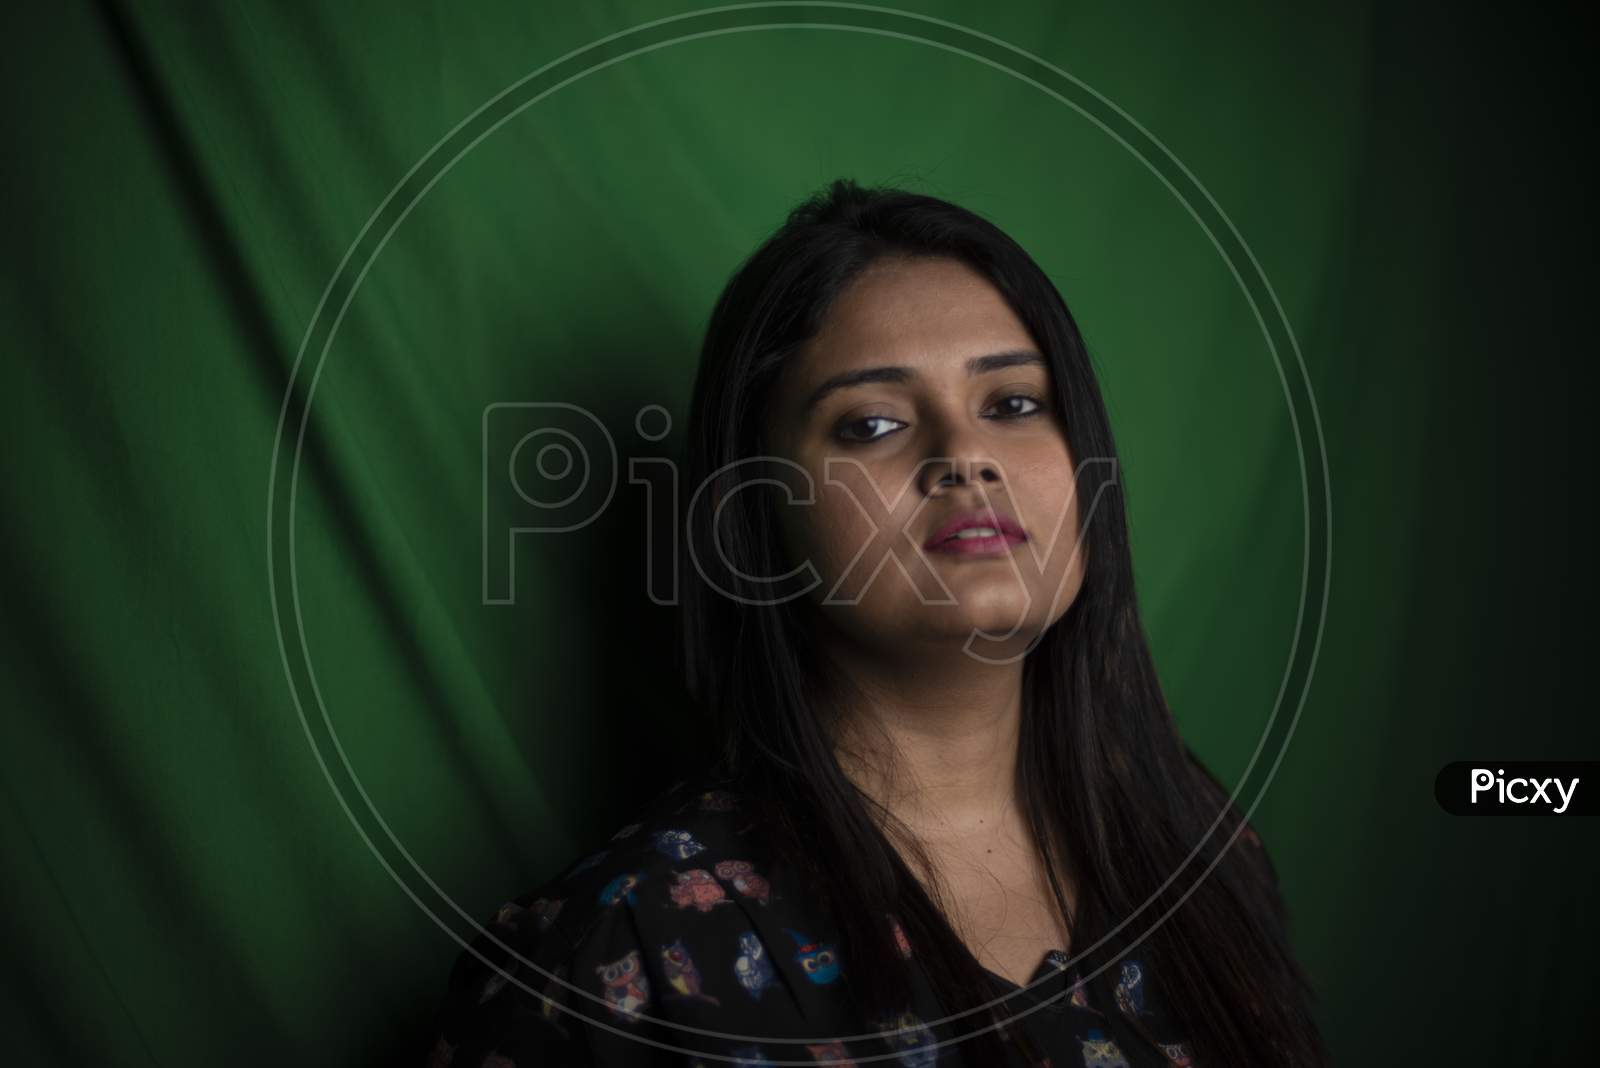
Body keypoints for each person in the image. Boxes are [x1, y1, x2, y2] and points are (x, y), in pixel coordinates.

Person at [422, 179, 1327, 1067]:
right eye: (873, 423)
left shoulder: (1200, 849)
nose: (964, 455)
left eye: (1013, 404)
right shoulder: (626, 945)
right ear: (754, 516)